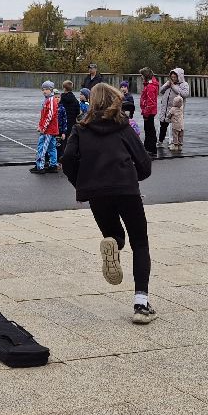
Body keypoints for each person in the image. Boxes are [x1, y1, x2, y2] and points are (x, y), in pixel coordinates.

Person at [61, 82, 156, 324]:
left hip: (96, 193)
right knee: (140, 243)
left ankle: (113, 243)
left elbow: (68, 158)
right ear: (114, 99)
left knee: (114, 234)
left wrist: (81, 184)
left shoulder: (81, 128)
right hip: (126, 188)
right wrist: (134, 175)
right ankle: (141, 304)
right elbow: (144, 163)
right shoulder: (123, 127)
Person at [32, 80, 61, 174]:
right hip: (51, 129)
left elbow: (50, 115)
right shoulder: (47, 100)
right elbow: (43, 115)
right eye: (43, 89)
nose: (44, 91)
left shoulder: (51, 100)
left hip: (48, 129)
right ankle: (53, 165)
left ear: (51, 90)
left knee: (42, 147)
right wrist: (40, 125)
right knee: (52, 147)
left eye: (46, 89)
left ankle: (40, 166)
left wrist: (43, 128)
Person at [159, 68, 189, 155]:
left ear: (179, 77)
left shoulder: (184, 84)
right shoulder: (169, 83)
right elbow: (161, 91)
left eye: (174, 77)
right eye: (172, 77)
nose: (173, 79)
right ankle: (160, 141)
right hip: (166, 108)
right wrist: (166, 85)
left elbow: (185, 94)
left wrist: (173, 86)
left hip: (176, 110)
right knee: (163, 124)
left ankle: (176, 143)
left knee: (176, 127)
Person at [139, 67, 159, 156]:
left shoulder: (150, 87)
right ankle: (148, 147)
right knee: (149, 129)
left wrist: (146, 113)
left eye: (142, 75)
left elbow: (150, 102)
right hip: (149, 111)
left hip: (149, 112)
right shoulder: (149, 85)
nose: (141, 77)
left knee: (149, 130)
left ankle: (151, 148)